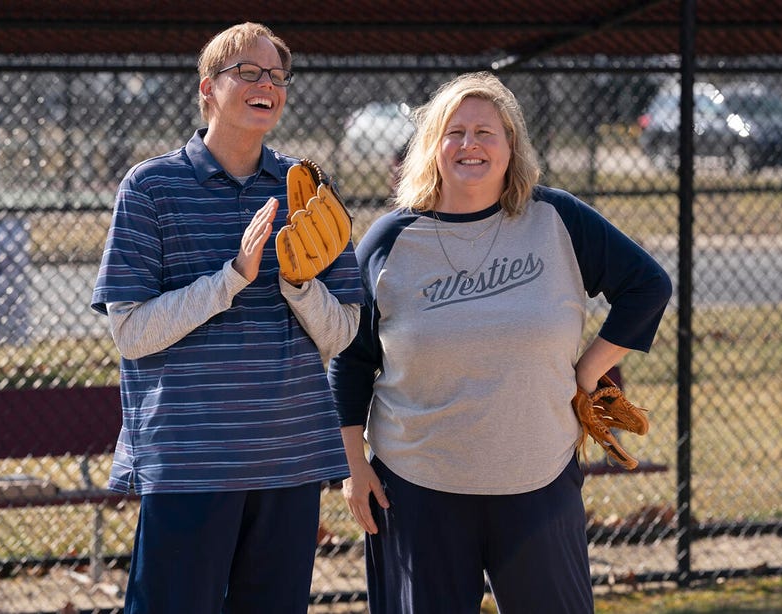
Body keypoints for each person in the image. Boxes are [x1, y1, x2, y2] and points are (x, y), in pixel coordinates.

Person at [328, 71, 672, 613]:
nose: (470, 145)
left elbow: (648, 287)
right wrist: (354, 467)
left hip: (538, 480)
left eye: (486, 132)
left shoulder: (557, 218)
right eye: (454, 132)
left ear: (512, 145)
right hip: (418, 486)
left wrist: (586, 373)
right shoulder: (391, 240)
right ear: (431, 146)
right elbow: (351, 361)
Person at [90, 22, 364, 613]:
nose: (266, 83)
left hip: (288, 458)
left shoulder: (308, 190)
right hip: (190, 462)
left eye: (276, 75)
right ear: (207, 88)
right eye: (247, 72)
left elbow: (342, 332)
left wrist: (298, 285)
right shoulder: (150, 188)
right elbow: (132, 334)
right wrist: (231, 278)